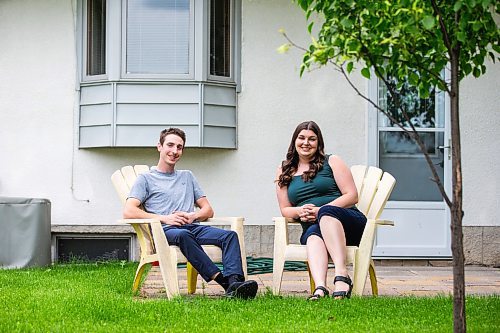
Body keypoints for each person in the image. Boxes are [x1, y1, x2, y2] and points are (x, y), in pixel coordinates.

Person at [124, 127, 258, 299]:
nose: (174, 151)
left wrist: (193, 215)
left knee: (229, 236)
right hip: (165, 230)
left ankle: (235, 283)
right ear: (159, 146)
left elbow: (208, 209)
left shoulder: (187, 176)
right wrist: (166, 218)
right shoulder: (146, 179)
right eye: (170, 145)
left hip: (192, 226)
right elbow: (129, 210)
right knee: (183, 234)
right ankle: (225, 283)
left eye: (179, 147)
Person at [275, 121, 367, 300]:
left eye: (312, 139)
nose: (306, 143)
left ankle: (342, 276)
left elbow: (352, 195)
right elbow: (285, 209)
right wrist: (299, 212)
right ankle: (320, 288)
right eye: (301, 138)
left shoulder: (332, 161)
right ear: (294, 141)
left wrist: (321, 210)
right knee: (313, 236)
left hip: (347, 223)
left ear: (319, 143)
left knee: (326, 213)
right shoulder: (284, 169)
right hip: (314, 226)